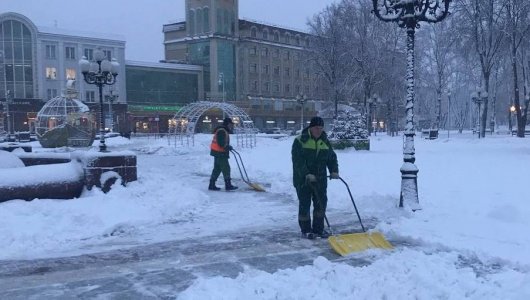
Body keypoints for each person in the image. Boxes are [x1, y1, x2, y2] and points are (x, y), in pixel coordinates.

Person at [291, 116, 339, 239]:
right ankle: (306, 230)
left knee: (321, 204)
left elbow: (331, 157)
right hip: (303, 180)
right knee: (305, 204)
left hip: (320, 179)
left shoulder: (325, 141)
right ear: (311, 128)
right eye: (317, 128)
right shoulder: (300, 140)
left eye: (321, 128)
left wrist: (334, 170)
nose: (319, 130)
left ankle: (318, 229)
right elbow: (298, 161)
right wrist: (306, 173)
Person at [209, 117, 238, 191]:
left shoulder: (222, 130)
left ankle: (211, 185)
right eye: (231, 124)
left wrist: (227, 147)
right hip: (220, 153)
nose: (231, 126)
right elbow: (221, 143)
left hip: (217, 152)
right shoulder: (222, 131)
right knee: (226, 168)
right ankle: (228, 185)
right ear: (228, 124)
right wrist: (227, 147)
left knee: (217, 169)